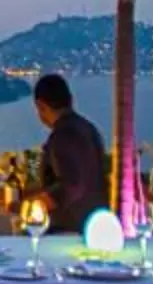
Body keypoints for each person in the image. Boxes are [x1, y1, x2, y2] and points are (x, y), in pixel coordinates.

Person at [31, 73, 109, 236]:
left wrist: (36, 204)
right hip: (95, 223)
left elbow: (71, 184)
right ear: (71, 100)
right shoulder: (89, 129)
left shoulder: (64, 134)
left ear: (40, 106)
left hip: (70, 228)